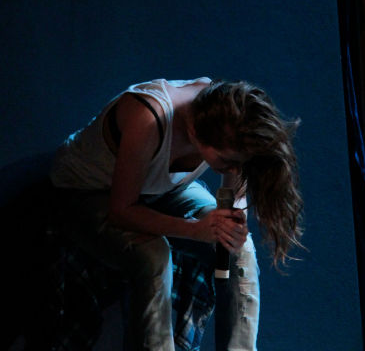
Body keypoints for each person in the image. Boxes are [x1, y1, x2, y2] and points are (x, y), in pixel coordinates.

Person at [49, 77, 303, 350]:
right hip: (89, 191)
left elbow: (233, 189)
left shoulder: (224, 110)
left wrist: (231, 221)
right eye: (226, 161)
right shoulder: (147, 118)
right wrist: (194, 229)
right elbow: (121, 211)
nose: (233, 169)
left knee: (239, 249)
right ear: (194, 132)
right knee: (154, 256)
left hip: (158, 189)